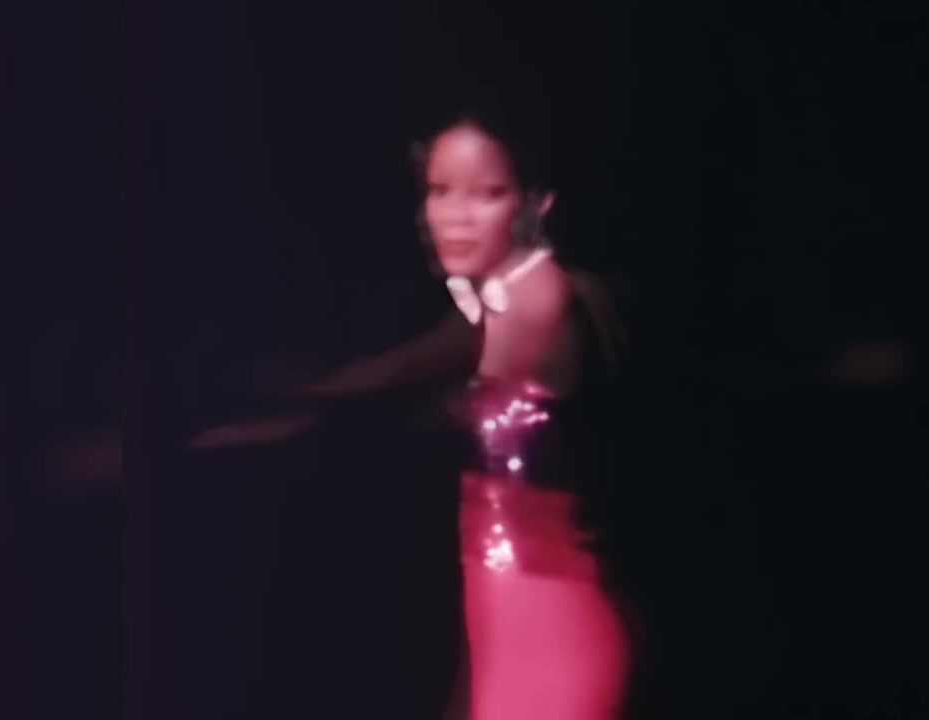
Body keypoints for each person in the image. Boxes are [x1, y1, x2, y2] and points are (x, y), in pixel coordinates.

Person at [192, 109, 641, 719]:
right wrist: (285, 400)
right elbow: (404, 376)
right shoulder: (499, 296)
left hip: (548, 626)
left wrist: (254, 421)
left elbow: (405, 393)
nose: (455, 215)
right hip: (503, 615)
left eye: (487, 193)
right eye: (440, 189)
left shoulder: (534, 302)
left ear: (536, 204)